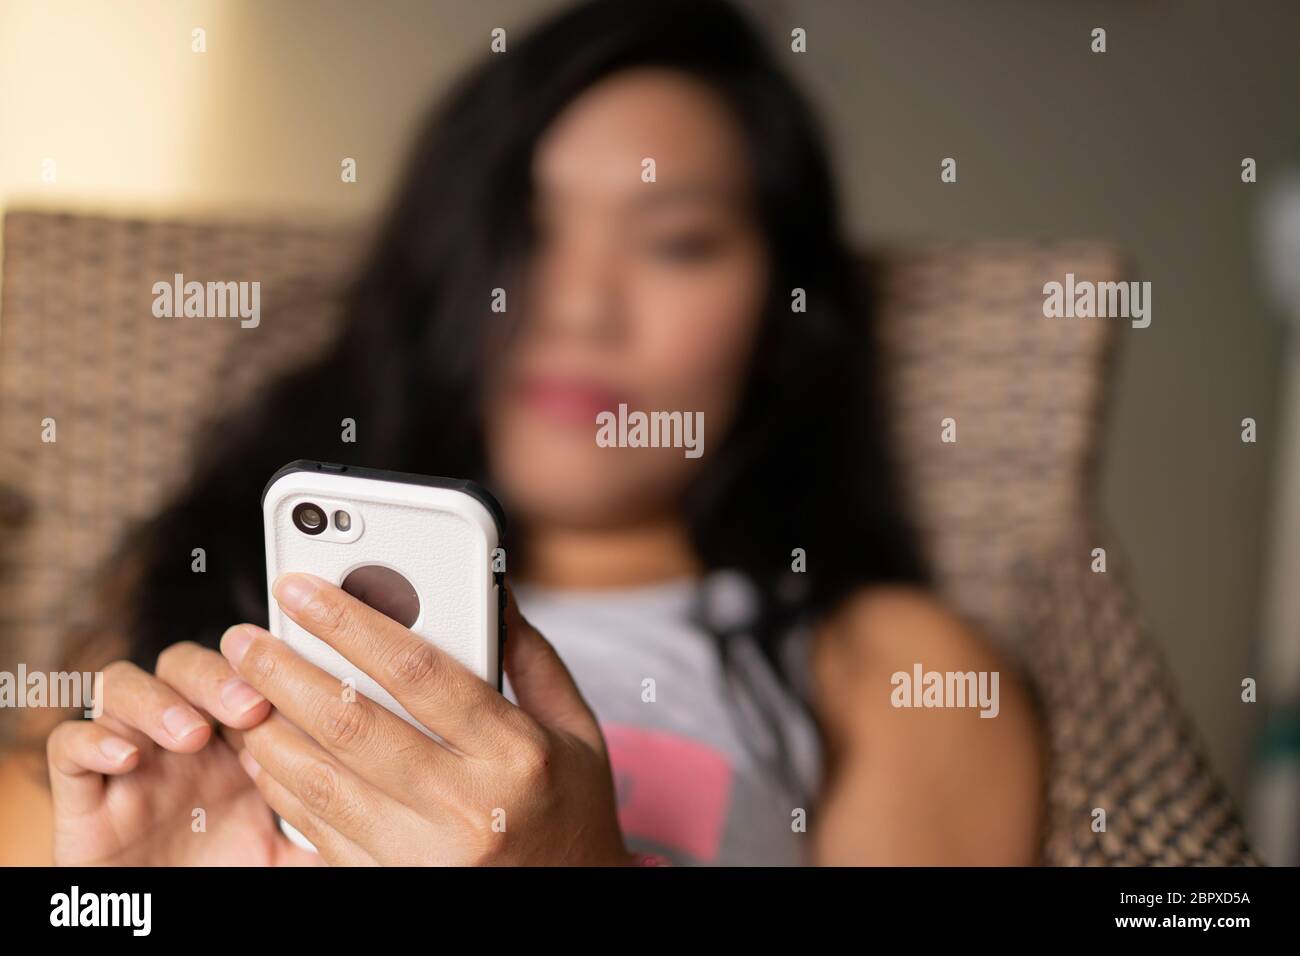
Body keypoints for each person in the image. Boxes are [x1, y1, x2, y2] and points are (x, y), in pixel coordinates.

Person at [0, 0, 1041, 865]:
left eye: (676, 242)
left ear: (780, 316)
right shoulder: (222, 578)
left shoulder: (885, 661)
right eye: (529, 234)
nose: (579, 309)